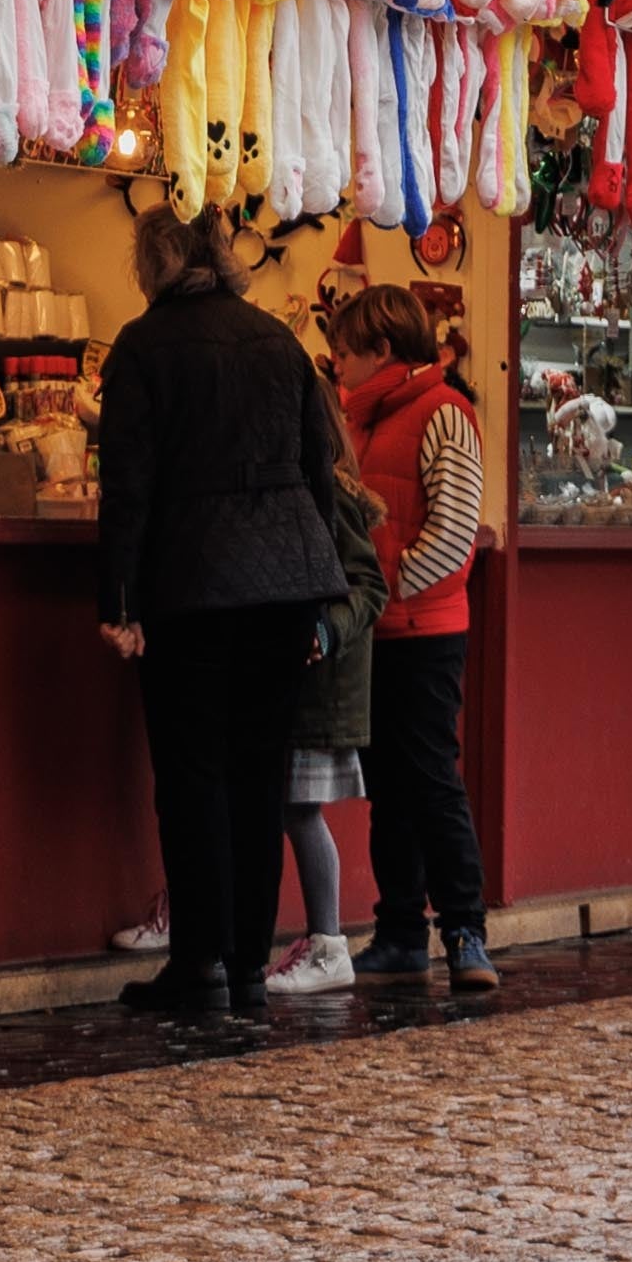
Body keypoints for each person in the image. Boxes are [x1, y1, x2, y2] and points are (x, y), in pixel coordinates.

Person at [95, 210, 371, 1019]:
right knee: (259, 777)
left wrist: (119, 599)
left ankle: (199, 960)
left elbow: (128, 487)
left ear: (153, 262)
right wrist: (321, 587)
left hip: (193, 584)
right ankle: (250, 962)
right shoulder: (278, 342)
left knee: (191, 777)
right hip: (286, 585)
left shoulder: (144, 346)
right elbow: (318, 472)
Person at [329, 284, 496, 991]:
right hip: (380, 628)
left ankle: (465, 930)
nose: (338, 365)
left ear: (383, 350)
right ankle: (399, 929)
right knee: (388, 786)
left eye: (346, 352)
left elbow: (453, 534)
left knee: (430, 779)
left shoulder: (444, 413)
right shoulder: (363, 420)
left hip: (424, 630)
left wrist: (379, 590)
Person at [263, 470, 389, 996]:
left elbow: (369, 586)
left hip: (317, 679)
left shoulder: (327, 492)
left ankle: (329, 943)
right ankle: (325, 942)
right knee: (286, 806)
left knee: (298, 807)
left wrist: (326, 631)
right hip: (301, 675)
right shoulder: (306, 486)